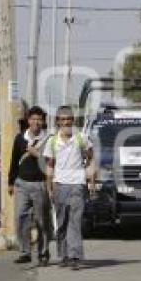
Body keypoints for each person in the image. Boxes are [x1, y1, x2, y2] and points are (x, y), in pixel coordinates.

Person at [44, 106, 94, 270]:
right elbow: (50, 165)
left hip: (77, 185)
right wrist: (49, 187)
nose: (66, 122)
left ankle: (75, 256)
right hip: (59, 185)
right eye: (63, 120)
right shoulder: (52, 141)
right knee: (62, 221)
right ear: (58, 121)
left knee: (75, 221)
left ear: (73, 120)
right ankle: (64, 254)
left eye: (69, 119)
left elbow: (91, 157)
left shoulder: (81, 138)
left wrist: (91, 180)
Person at [10, 106, 51, 266]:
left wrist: (37, 154)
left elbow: (50, 163)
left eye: (39, 119)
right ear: (28, 121)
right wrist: (10, 182)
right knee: (21, 218)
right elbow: (14, 161)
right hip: (21, 184)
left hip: (40, 184)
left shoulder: (49, 139)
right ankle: (25, 252)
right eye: (33, 119)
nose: (36, 122)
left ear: (43, 122)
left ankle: (43, 253)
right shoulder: (20, 138)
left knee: (42, 220)